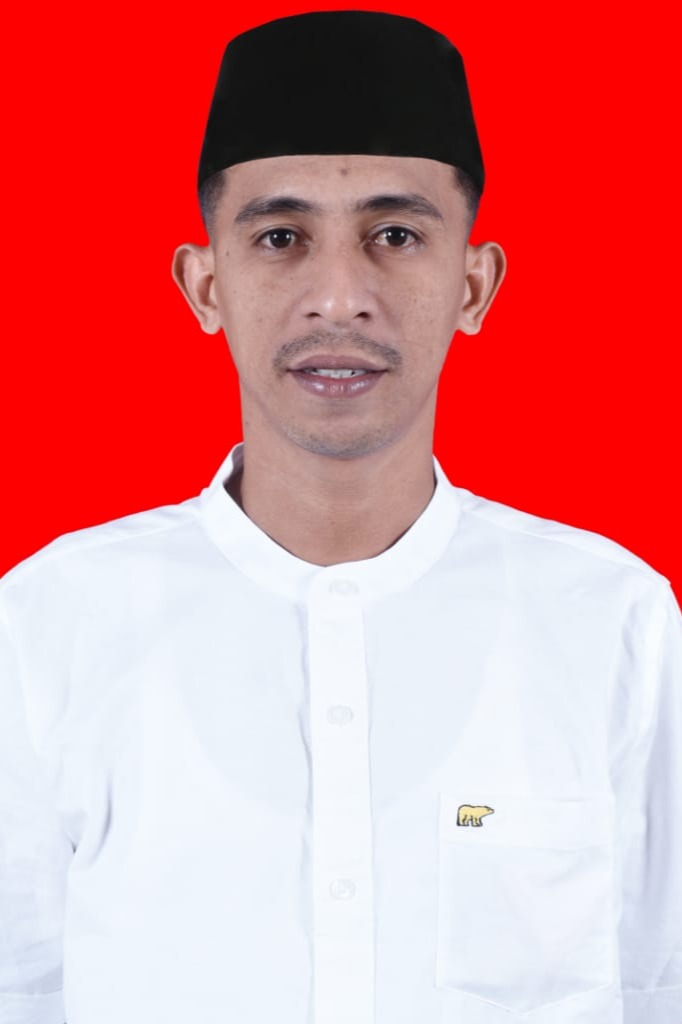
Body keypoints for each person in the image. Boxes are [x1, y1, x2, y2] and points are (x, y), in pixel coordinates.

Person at [1, 10, 680, 1024]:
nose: (337, 297)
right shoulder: (49, 623)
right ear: (205, 285)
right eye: (280, 238)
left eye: (394, 235)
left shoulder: (613, 624)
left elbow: (660, 987)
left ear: (473, 284)